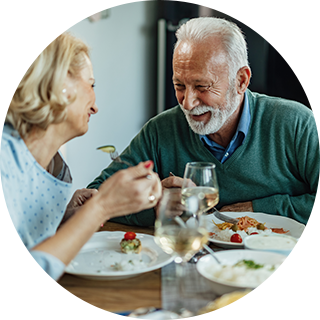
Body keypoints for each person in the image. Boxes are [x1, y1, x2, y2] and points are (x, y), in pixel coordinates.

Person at [88, 16, 320, 228]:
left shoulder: (296, 124)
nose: (187, 103)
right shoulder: (160, 131)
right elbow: (95, 198)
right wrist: (157, 206)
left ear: (241, 81)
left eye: (202, 86)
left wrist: (258, 210)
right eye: (179, 86)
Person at [0, 24, 161, 317]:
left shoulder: (52, 163)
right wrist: (99, 209)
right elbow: (12, 294)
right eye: (91, 84)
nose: (95, 106)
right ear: (58, 84)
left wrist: (66, 221)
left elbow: (22, 247)